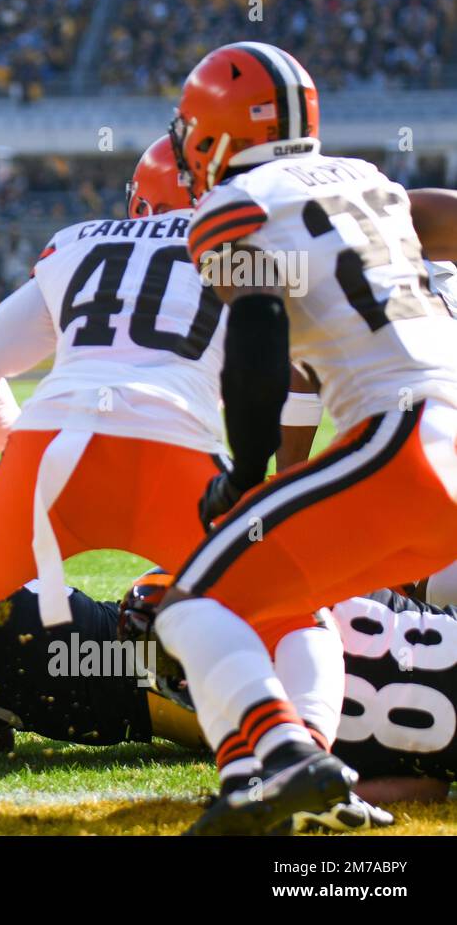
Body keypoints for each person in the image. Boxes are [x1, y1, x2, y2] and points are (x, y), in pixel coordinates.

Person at [144, 41, 457, 835]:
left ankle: (284, 761)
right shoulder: (371, 179)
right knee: (294, 593)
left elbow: (256, 341)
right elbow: (443, 216)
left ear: (212, 136)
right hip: (435, 425)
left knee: (192, 601)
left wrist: (244, 474)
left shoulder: (236, 205)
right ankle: (294, 775)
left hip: (405, 437)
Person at [0, 136, 222, 817]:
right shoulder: (234, 247)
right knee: (274, 605)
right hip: (172, 446)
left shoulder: (81, 242)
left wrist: (23, 453)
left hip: (56, 440)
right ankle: (287, 746)